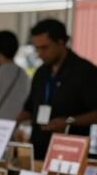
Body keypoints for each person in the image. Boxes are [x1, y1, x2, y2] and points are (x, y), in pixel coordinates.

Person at [18, 19, 97, 159]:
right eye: (37, 48)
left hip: (69, 153)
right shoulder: (41, 73)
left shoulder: (85, 72)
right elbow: (30, 108)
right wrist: (9, 124)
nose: (40, 53)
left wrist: (69, 121)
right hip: (37, 150)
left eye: (45, 48)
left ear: (61, 42)